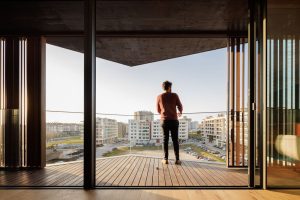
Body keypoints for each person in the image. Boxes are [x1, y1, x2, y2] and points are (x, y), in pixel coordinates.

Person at [156, 80, 183, 165]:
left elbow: (158, 110)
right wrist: (180, 112)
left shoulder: (159, 96)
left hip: (164, 121)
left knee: (165, 140)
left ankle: (165, 159)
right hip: (174, 120)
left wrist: (164, 113)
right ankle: (177, 160)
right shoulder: (174, 95)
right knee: (175, 140)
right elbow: (180, 106)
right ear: (170, 87)